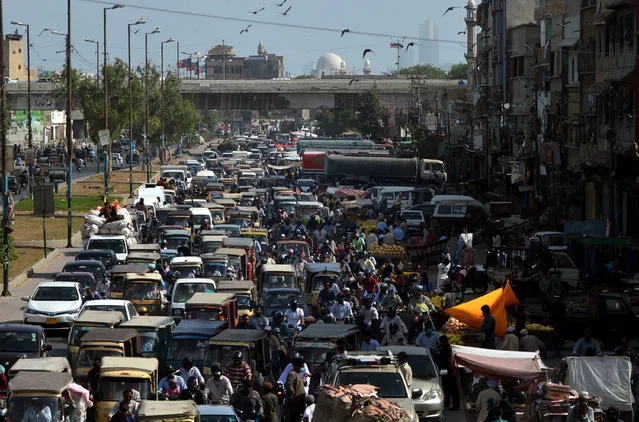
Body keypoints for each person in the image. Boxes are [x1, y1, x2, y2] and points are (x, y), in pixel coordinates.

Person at [437, 335, 460, 410]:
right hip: (446, 372)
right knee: (447, 389)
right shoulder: (443, 349)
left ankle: (455, 405)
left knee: (453, 389)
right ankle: (448, 403)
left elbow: (450, 361)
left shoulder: (449, 349)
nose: (441, 343)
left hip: (451, 372)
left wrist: (453, 370)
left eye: (442, 342)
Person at [284, 355, 307, 422]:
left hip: (298, 403)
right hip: (294, 403)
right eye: (302, 366)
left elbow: (302, 382)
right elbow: (289, 386)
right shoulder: (292, 374)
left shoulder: (297, 374)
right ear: (297, 365)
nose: (302, 368)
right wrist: (294, 395)